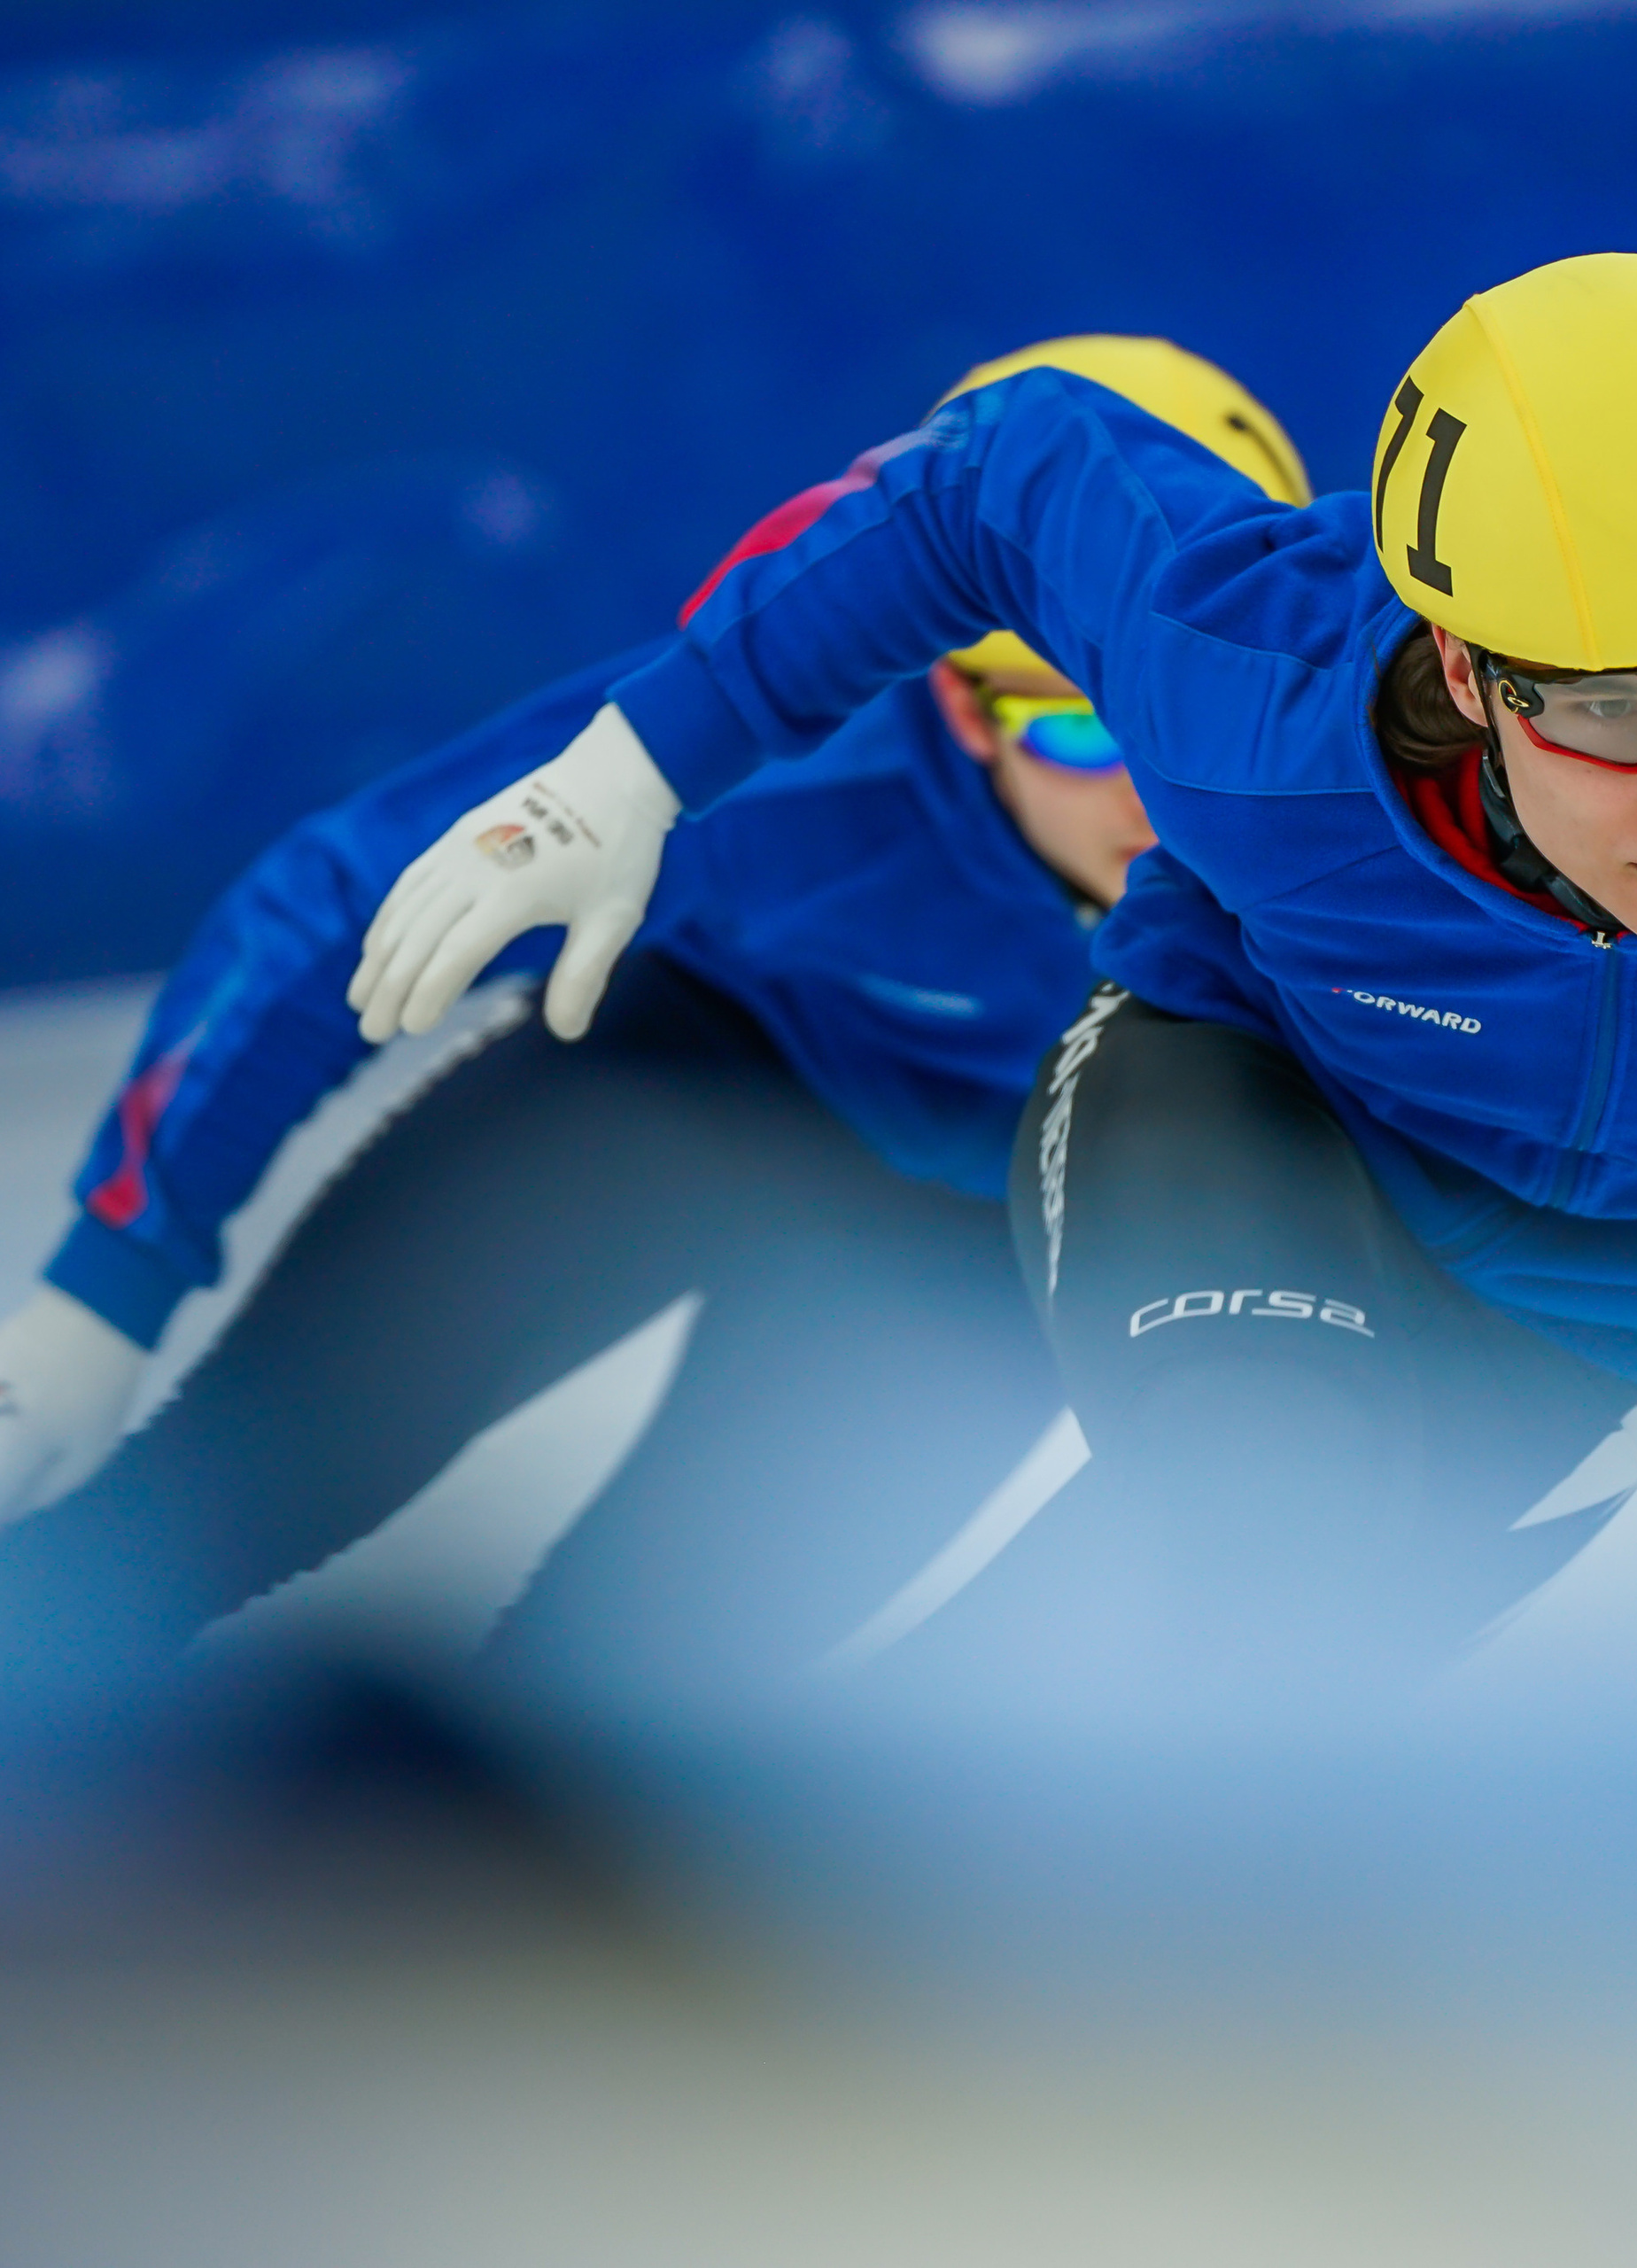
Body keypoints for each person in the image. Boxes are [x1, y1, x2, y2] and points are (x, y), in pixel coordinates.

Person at [326, 250, 1637, 1703]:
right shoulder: (1254, 682)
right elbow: (993, 474)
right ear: (1468, 669)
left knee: (1144, 1753)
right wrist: (637, 764)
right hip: (1250, 1101)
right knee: (1253, 1534)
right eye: (1604, 708)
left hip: (1592, 1324)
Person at [0, 337, 1313, 1708]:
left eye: (1179, 720)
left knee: (619, 1721)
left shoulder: (1340, 823)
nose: (1152, 791)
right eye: (1079, 734)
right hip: (702, 1063)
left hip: (995, 1222)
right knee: (200, 1522)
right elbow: (334, 902)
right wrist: (110, 1281)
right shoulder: (799, 771)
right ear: (960, 708)